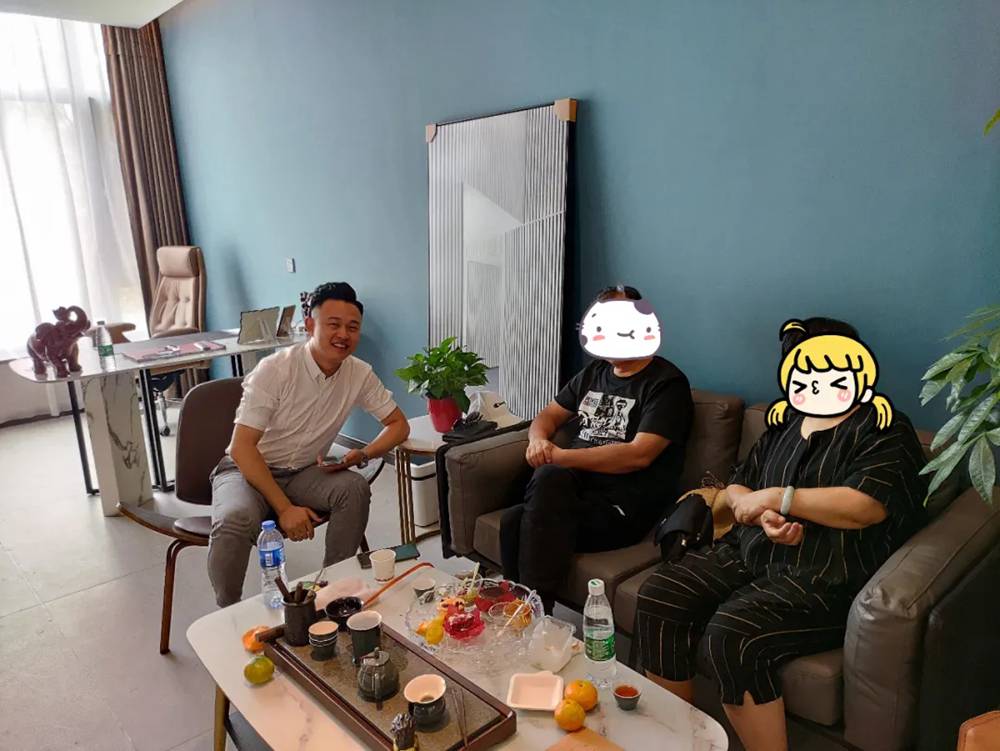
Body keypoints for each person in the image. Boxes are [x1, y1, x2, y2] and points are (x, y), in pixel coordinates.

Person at [634, 317, 927, 751]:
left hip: (825, 574)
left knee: (733, 636)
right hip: (748, 551)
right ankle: (676, 740)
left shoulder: (885, 429)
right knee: (662, 594)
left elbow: (865, 506)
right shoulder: (786, 420)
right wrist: (757, 514)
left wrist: (780, 498)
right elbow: (738, 486)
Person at [207, 282, 409, 607]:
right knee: (235, 518)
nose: (343, 334)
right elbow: (243, 447)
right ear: (311, 325)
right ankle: (227, 610)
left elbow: (398, 425)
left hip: (303, 471)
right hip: (247, 470)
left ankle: (334, 593)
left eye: (352, 327)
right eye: (333, 324)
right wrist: (284, 509)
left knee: (353, 488)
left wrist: (364, 453)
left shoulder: (359, 374)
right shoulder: (276, 369)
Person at [500, 285, 694, 611]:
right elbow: (548, 416)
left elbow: (639, 455)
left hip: (621, 509)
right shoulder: (594, 373)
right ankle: (518, 611)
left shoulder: (667, 384)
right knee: (512, 521)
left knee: (549, 477)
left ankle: (533, 612)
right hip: (574, 495)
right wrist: (538, 440)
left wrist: (560, 457)